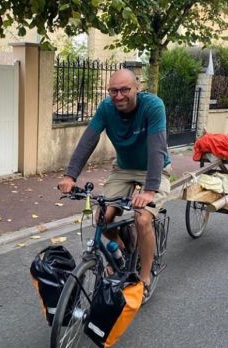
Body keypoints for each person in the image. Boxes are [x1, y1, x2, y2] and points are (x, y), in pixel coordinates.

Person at [58, 68, 171, 300]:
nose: (118, 96)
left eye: (124, 90)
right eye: (113, 91)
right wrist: (70, 176)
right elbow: (88, 140)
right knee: (101, 218)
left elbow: (157, 148)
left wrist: (149, 191)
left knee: (142, 217)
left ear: (137, 88)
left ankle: (145, 276)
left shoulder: (153, 106)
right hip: (123, 169)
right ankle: (121, 246)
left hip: (153, 168)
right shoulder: (106, 108)